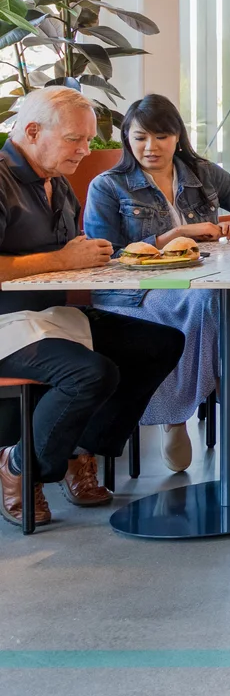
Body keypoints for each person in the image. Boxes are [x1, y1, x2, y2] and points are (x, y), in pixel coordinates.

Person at [0, 88, 182, 528]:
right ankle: (19, 469)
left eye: (89, 139)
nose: (86, 150)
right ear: (31, 131)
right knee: (91, 373)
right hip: (7, 321)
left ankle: (82, 451)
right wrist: (64, 261)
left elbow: (72, 257)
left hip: (49, 317)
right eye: (74, 140)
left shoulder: (57, 182)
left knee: (160, 343)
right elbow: (60, 260)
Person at [82, 94, 230, 472]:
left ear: (177, 137)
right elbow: (103, 258)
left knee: (215, 302)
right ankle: (192, 417)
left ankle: (213, 414)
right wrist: (172, 236)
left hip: (199, 286)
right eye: (140, 137)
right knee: (212, 306)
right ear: (127, 138)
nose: (150, 147)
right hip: (132, 296)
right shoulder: (107, 186)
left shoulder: (202, 174)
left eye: (161, 136)